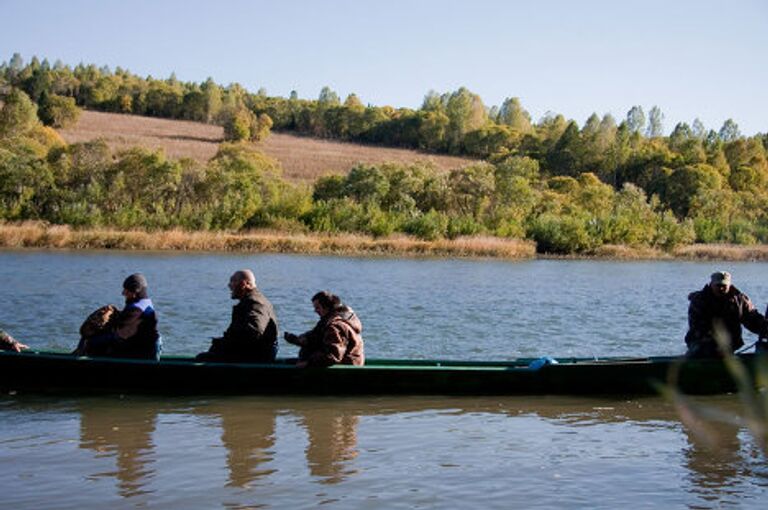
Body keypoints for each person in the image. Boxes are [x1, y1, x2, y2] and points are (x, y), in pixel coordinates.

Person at [196, 270, 278, 363]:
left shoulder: (255, 303)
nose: (229, 285)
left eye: (233, 281)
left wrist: (226, 344)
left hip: (256, 356)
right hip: (253, 352)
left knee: (202, 358)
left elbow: (254, 332)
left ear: (244, 284)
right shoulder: (251, 301)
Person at [74, 273, 161, 359]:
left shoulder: (136, 310)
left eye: (126, 290)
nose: (123, 293)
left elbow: (118, 335)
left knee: (91, 340)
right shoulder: (145, 304)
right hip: (143, 350)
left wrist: (89, 341)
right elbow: (128, 327)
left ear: (135, 292)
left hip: (139, 354)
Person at [685, 271, 768, 358]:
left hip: (728, 345)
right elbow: (698, 328)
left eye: (724, 286)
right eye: (718, 286)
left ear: (729, 285)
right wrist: (716, 346)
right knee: (701, 351)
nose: (721, 288)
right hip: (701, 343)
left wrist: (766, 328)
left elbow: (753, 319)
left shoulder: (739, 300)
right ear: (711, 284)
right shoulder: (699, 301)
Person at [284, 291, 364, 368]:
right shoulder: (329, 321)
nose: (315, 311)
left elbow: (333, 355)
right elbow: (314, 337)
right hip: (349, 362)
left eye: (317, 308)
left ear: (327, 308)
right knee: (289, 362)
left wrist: (308, 363)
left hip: (345, 366)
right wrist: (296, 340)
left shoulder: (334, 326)